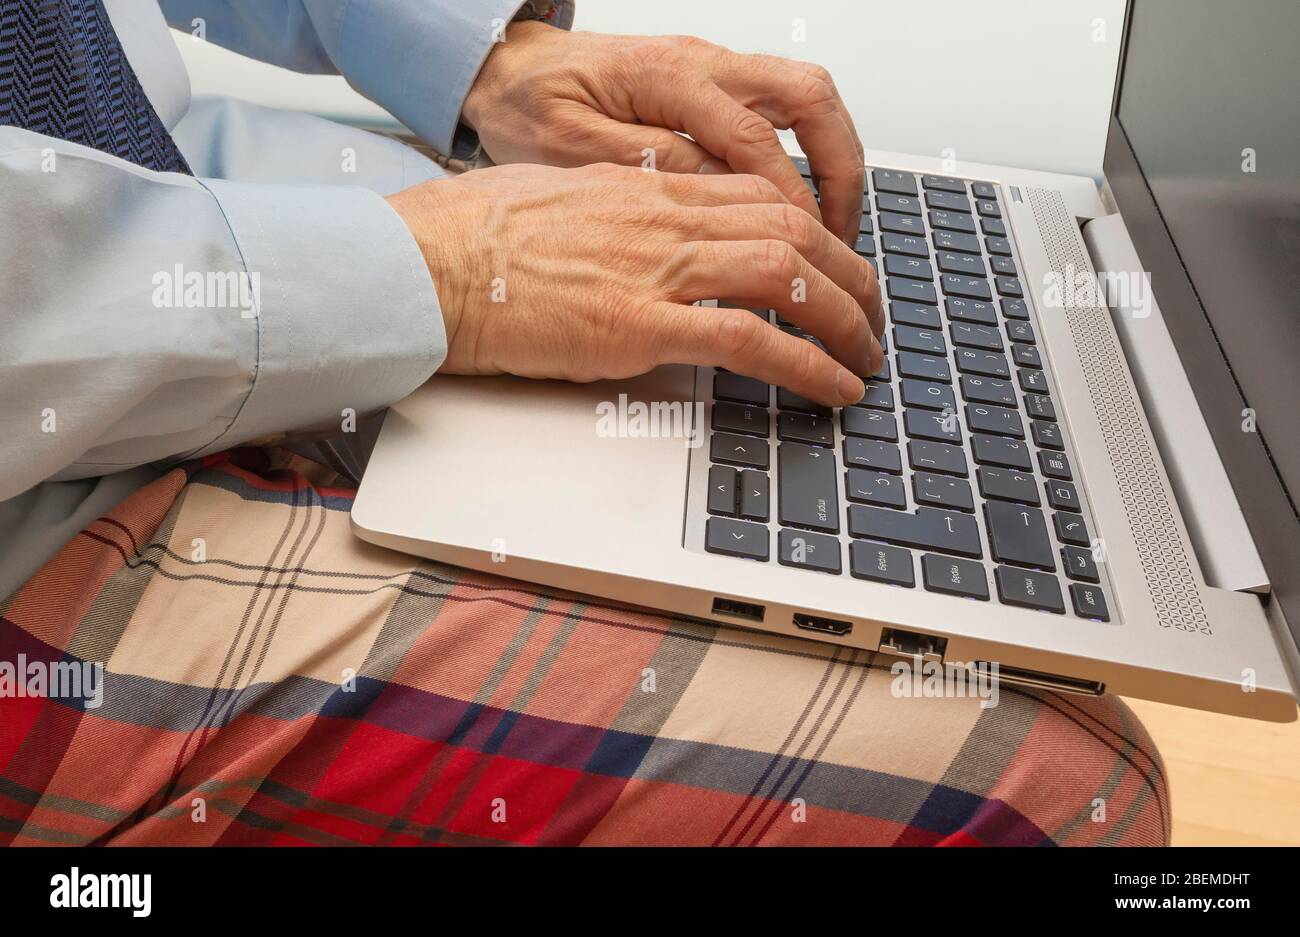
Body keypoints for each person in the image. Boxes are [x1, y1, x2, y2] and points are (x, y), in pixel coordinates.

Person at [0, 0, 1168, 846]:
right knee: (1054, 782)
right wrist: (448, 271)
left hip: (161, 191)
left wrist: (478, 60)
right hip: (39, 512)